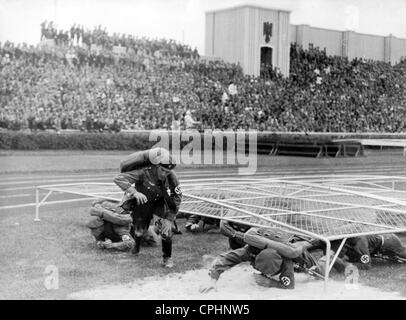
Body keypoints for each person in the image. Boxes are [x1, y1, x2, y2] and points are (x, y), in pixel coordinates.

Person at [113, 148, 182, 268]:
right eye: (163, 170)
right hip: (143, 203)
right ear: (156, 166)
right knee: (139, 230)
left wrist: (169, 218)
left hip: (159, 204)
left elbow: (177, 196)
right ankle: (137, 247)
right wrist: (134, 192)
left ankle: (167, 258)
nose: (164, 174)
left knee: (165, 230)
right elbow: (119, 178)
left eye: (167, 172)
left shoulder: (171, 175)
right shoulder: (144, 172)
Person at [199, 226, 320, 293]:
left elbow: (289, 285)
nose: (267, 274)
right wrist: (212, 280)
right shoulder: (250, 251)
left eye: (269, 272)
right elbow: (225, 259)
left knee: (321, 272)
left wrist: (270, 283)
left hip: (304, 262)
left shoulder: (286, 260)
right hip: (276, 249)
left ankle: (331, 256)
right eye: (265, 271)